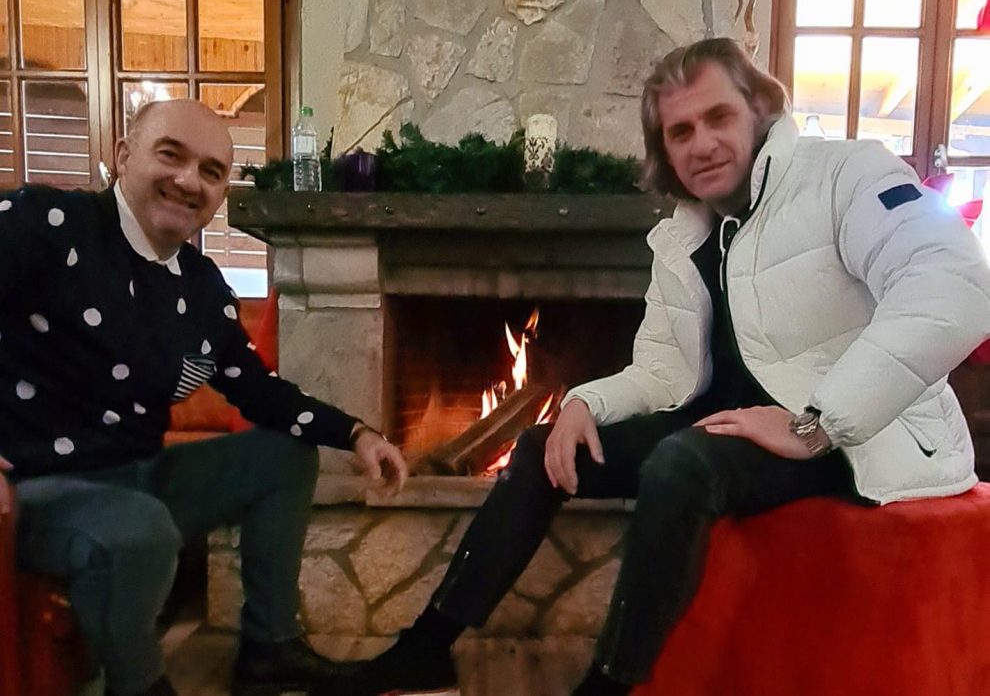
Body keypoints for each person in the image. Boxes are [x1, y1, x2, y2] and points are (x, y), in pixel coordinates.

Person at [322, 37, 990, 696]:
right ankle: (427, 650)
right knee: (540, 449)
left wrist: (816, 422)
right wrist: (583, 404)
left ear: (760, 110)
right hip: (735, 427)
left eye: (719, 117)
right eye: (680, 131)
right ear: (664, 150)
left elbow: (956, 287)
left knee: (681, 461)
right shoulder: (683, 233)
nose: (702, 144)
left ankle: (608, 687)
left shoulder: (848, 174)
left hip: (863, 436)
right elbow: (664, 372)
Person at [0, 99, 407, 696]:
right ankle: (139, 686)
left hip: (141, 475)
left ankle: (269, 649)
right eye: (172, 155)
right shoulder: (44, 222)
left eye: (212, 172)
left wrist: (356, 434)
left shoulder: (201, 286)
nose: (190, 181)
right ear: (123, 155)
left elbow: (256, 389)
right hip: (37, 490)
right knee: (140, 529)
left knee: (283, 455)